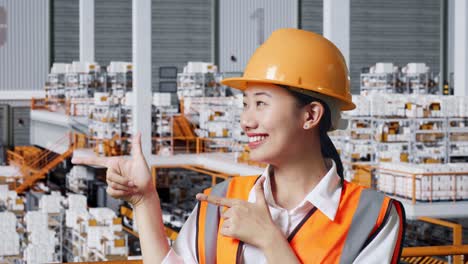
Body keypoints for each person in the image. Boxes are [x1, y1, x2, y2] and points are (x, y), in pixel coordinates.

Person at [73, 28, 405, 264]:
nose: (246, 120)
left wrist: (269, 239)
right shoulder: (221, 200)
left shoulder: (372, 216)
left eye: (261, 104)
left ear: (310, 115)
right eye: (245, 104)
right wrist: (144, 200)